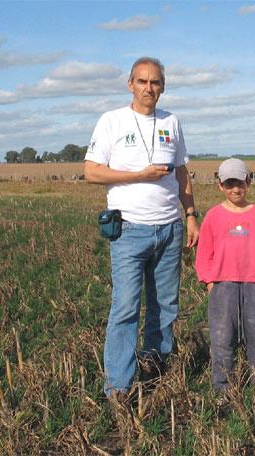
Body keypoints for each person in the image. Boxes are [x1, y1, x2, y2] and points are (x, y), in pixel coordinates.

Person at [84, 57, 199, 399]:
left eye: (156, 82)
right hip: (129, 229)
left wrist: (190, 214)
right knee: (125, 307)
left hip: (169, 228)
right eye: (143, 81)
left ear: (163, 86)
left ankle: (155, 368)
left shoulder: (172, 122)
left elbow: (181, 173)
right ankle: (118, 386)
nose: (150, 88)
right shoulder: (112, 121)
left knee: (165, 305)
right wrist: (138, 175)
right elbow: (91, 171)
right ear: (130, 84)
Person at [195, 158, 255, 404]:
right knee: (222, 338)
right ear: (220, 185)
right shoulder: (213, 215)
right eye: (229, 183)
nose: (235, 189)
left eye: (240, 183)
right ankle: (222, 389)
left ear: (249, 182)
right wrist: (209, 280)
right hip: (223, 285)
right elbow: (205, 251)